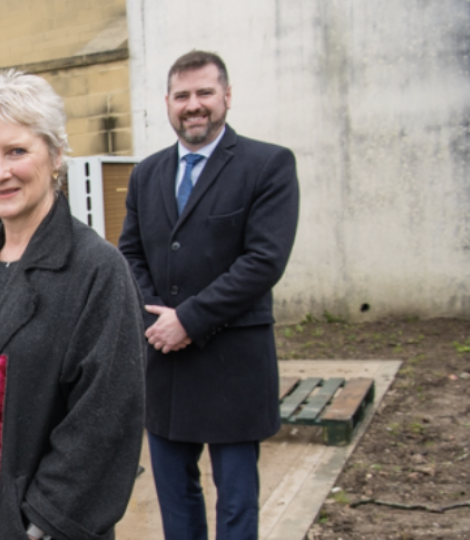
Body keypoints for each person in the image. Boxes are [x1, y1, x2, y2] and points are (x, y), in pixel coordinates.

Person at [0, 71, 146, 540]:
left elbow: (106, 418)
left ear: (55, 155)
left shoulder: (97, 270)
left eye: (17, 151)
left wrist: (42, 522)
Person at [118, 50, 300, 540]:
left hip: (233, 364)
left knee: (236, 503)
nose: (193, 105)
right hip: (165, 365)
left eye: (204, 93)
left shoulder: (269, 165)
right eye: (183, 95)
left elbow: (264, 261)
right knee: (175, 500)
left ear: (227, 97)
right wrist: (158, 317)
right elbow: (129, 254)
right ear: (167, 103)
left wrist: (189, 320)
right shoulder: (146, 174)